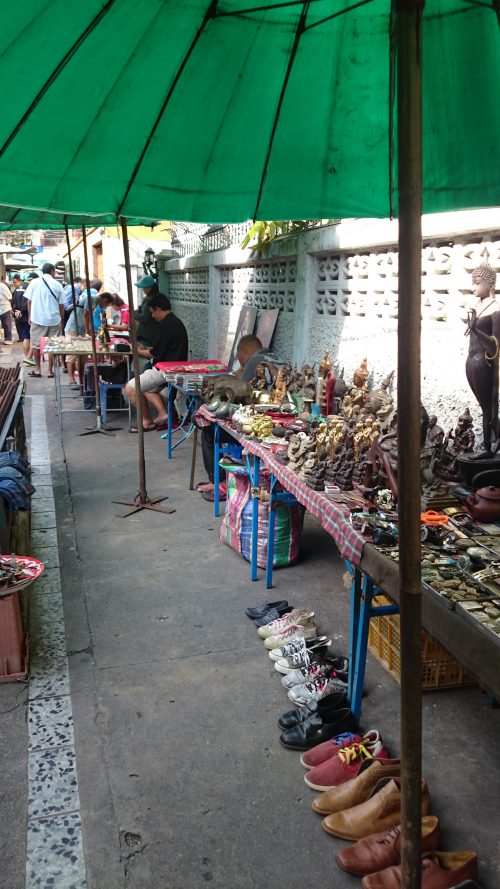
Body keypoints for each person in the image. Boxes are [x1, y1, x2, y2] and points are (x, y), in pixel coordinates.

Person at [197, 335, 281, 499]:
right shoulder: (273, 358)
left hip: (258, 425)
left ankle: (219, 482)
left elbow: (240, 389)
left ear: (244, 351)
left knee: (208, 430)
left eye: (238, 354)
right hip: (271, 417)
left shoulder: (255, 361)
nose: (238, 359)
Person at [124, 292, 188, 432]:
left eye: (153, 312)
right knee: (148, 389)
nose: (152, 316)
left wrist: (134, 350)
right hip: (172, 367)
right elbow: (161, 349)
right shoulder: (174, 322)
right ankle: (163, 414)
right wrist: (144, 349)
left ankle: (147, 422)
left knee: (130, 388)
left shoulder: (166, 325)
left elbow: (154, 354)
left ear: (158, 309)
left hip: (166, 370)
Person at [464, 262, 500, 456]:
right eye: (472, 282)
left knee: (488, 407)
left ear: (490, 284)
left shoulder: (495, 309)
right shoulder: (477, 306)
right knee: (484, 406)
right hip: (471, 362)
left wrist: (476, 329)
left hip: (484, 363)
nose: (473, 287)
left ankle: (487, 447)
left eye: (477, 283)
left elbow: (495, 346)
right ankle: (497, 439)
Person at [23, 262, 65, 377]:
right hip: (54, 319)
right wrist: (61, 319)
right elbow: (61, 305)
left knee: (36, 345)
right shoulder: (58, 285)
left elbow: (29, 301)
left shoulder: (34, 282)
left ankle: (38, 369)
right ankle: (50, 371)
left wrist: (30, 316)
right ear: (52, 271)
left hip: (38, 318)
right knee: (53, 346)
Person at [11, 274, 34, 362]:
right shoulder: (29, 287)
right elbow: (28, 302)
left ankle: (27, 357)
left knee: (25, 337)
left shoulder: (18, 288)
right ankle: (29, 358)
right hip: (28, 316)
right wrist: (21, 310)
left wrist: (16, 311)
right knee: (31, 338)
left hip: (19, 316)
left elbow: (13, 301)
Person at [134, 275, 159, 347]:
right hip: (147, 334)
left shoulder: (150, 300)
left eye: (144, 288)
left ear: (149, 288)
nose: (143, 290)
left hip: (146, 335)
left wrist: (133, 313)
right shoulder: (151, 297)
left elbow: (144, 317)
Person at [0, 276, 13, 345]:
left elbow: (10, 297)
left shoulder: (3, 286)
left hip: (5, 308)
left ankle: (8, 339)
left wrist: (11, 307)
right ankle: (4, 338)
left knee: (6, 324)